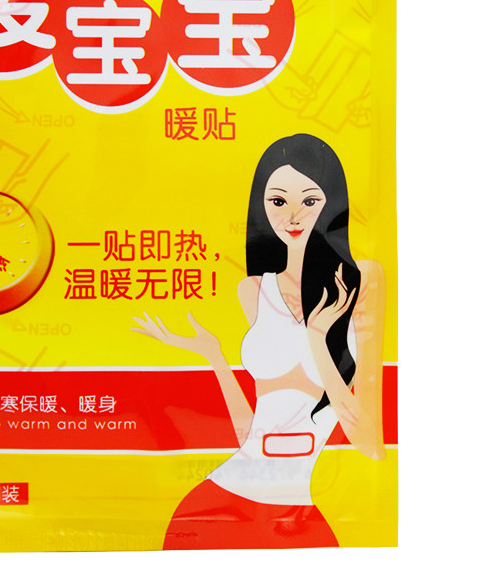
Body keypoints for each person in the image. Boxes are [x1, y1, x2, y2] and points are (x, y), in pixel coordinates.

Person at [132, 133, 385, 549]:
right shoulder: (255, 289)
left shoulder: (362, 280)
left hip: (299, 510)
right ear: (262, 207)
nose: (293, 216)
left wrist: (318, 339)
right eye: (278, 201)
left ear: (332, 202)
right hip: (219, 501)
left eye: (309, 200)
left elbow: (370, 443)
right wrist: (214, 355)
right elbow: (252, 433)